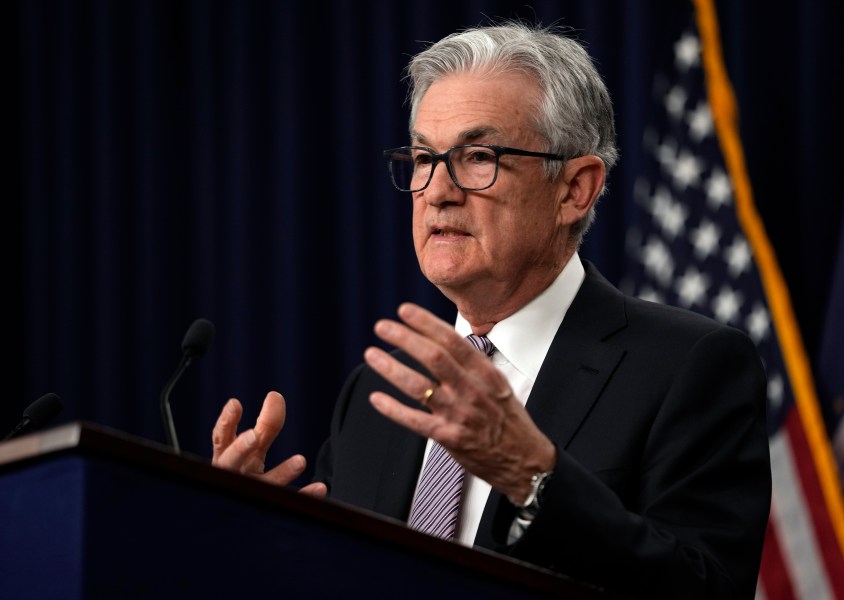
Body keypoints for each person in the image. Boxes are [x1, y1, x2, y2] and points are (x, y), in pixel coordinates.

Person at [211, 20, 771, 599]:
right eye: (425, 157)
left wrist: (535, 481)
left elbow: (706, 589)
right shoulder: (379, 394)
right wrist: (251, 535)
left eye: (478, 156)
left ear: (574, 189)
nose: (436, 190)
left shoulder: (688, 367)